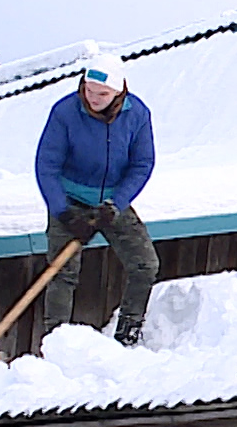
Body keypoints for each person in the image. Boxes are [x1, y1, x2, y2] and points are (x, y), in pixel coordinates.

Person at [33, 51, 158, 346]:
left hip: (113, 203)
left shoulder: (137, 114)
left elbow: (142, 164)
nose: (93, 98)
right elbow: (46, 165)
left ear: (118, 90)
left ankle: (127, 334)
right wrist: (63, 212)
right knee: (62, 273)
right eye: (89, 90)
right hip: (70, 200)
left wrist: (117, 204)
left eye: (102, 93)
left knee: (145, 265)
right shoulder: (65, 112)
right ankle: (56, 344)